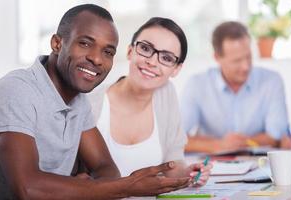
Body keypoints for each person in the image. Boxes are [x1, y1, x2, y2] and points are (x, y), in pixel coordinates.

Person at [0, 4, 191, 199]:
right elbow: (28, 188)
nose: (97, 59)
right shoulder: (17, 89)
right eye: (85, 43)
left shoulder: (78, 100)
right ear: (57, 43)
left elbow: (107, 168)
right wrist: (125, 187)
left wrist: (88, 188)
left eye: (108, 52)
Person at [89, 17, 211, 185]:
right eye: (145, 48)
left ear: (176, 69)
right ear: (130, 51)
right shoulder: (91, 100)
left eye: (167, 58)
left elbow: (173, 162)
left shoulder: (166, 94)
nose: (152, 62)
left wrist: (187, 173)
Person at [180, 21, 289, 153]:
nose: (246, 66)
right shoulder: (197, 85)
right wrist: (217, 145)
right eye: (237, 60)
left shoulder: (271, 81)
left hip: (258, 164)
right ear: (217, 57)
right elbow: (175, 139)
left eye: (248, 57)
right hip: (210, 167)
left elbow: (277, 136)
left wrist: (241, 143)